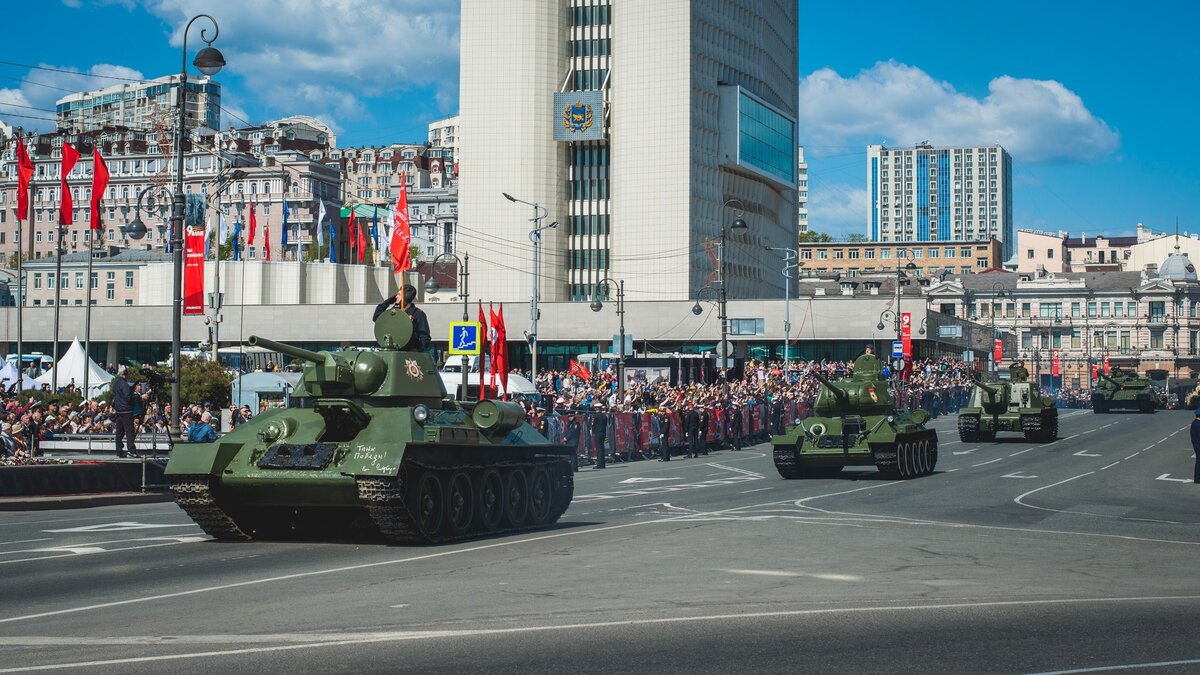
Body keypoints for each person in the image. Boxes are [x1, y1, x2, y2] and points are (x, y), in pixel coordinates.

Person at [373, 285, 432, 354]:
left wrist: (416, 350)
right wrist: (387, 302)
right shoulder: (394, 312)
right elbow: (376, 318)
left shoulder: (417, 314)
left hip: (409, 352)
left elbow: (425, 338)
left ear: (406, 297)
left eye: (399, 295)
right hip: (392, 351)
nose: (396, 297)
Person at [111, 366, 138, 458]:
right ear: (124, 374)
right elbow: (128, 397)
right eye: (128, 373)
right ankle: (131, 450)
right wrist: (138, 397)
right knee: (129, 431)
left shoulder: (116, 384)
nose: (129, 374)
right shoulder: (124, 384)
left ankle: (119, 450)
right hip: (126, 410)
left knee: (119, 432)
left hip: (119, 411)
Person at [590, 405, 608, 469]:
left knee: (599, 449)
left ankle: (599, 464)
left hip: (598, 433)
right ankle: (602, 464)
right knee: (602, 448)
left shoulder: (595, 416)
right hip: (603, 432)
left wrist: (592, 431)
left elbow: (593, 425)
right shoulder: (604, 416)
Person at [1191, 409, 1200, 484]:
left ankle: (1197, 478)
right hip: (1198, 445)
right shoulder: (1197, 424)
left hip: (1196, 445)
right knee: (1199, 462)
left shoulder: (1194, 423)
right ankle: (1197, 478)